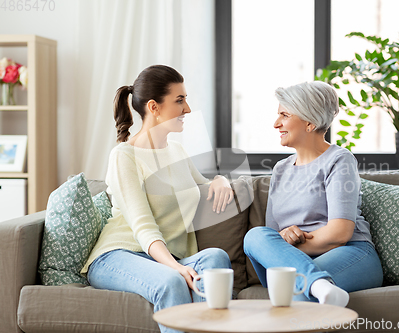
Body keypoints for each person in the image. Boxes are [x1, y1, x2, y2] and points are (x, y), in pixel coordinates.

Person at [82, 65, 233, 333]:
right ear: (154, 107)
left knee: (216, 259)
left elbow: (204, 184)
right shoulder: (124, 156)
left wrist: (221, 180)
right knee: (171, 281)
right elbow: (142, 225)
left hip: (167, 257)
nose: (187, 109)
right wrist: (174, 266)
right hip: (119, 255)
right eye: (179, 100)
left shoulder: (177, 150)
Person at [243, 81, 383, 307]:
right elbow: (271, 236)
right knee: (254, 237)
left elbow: (340, 233)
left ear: (310, 123)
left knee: (297, 295)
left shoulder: (339, 160)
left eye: (284, 115)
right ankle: (318, 284)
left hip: (350, 254)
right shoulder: (280, 169)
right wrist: (284, 240)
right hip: (291, 261)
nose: (276, 124)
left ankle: (311, 284)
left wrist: (288, 249)